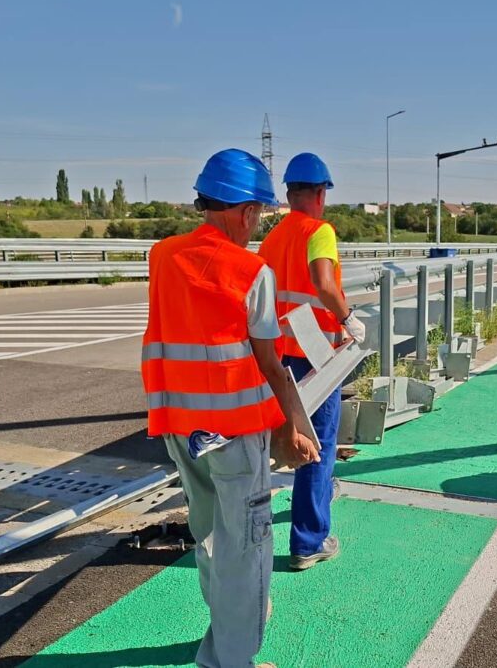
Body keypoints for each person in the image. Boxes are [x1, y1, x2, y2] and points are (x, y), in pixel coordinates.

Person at [142, 148, 320, 668]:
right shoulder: (250, 270)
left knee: (213, 538)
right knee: (246, 549)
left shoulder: (162, 256)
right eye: (259, 215)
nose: (257, 225)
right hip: (235, 433)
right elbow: (269, 364)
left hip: (181, 428)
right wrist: (289, 432)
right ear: (245, 211)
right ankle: (230, 660)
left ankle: (225, 639)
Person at [258, 152, 366, 571]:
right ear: (321, 193)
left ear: (289, 192)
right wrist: (348, 318)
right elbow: (323, 283)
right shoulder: (319, 230)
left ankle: (308, 515)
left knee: (291, 440)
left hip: (279, 355)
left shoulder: (272, 238)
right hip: (316, 355)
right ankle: (309, 540)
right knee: (317, 446)